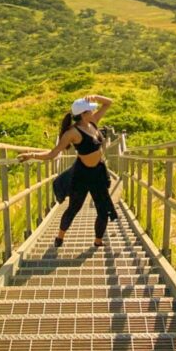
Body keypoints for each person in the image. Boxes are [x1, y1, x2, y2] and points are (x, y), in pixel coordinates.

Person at [20, 94, 116, 248]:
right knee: (74, 208)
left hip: (98, 172)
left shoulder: (93, 123)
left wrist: (95, 97)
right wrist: (31, 155)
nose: (93, 111)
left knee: (103, 209)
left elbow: (109, 102)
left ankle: (98, 240)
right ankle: (60, 237)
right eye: (90, 110)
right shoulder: (72, 133)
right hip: (82, 175)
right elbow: (53, 153)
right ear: (83, 114)